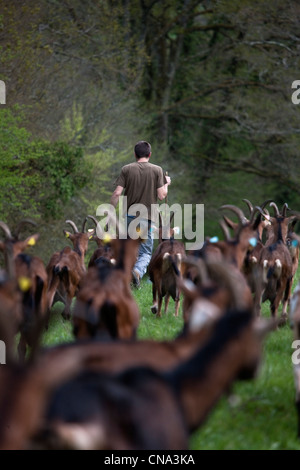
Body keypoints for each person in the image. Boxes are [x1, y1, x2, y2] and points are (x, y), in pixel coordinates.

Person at [110, 140, 171, 288]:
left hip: (130, 217)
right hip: (148, 218)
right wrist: (167, 183)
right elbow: (162, 196)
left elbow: (117, 193)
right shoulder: (157, 170)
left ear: (135, 154)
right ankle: (137, 272)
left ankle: (129, 280)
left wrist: (110, 211)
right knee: (145, 253)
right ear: (149, 154)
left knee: (130, 249)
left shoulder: (126, 169)